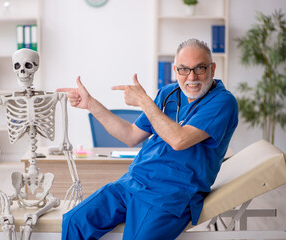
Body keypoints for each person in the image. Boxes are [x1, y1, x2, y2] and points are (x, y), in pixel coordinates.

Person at [57, 38, 238, 240]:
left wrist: (143, 100)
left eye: (200, 68)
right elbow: (130, 135)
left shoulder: (223, 102)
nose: (191, 77)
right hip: (133, 182)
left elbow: (179, 140)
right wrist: (90, 104)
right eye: (183, 69)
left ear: (212, 69)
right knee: (74, 221)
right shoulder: (169, 93)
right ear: (175, 70)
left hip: (169, 195)